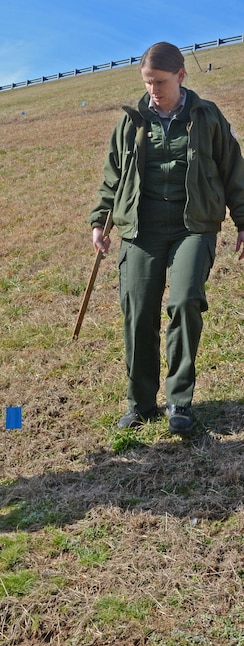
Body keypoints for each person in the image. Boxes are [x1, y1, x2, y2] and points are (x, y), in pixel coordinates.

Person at [89, 41, 244, 435]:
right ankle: (140, 403)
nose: (153, 90)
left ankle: (179, 402)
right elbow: (113, 176)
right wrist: (99, 222)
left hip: (194, 226)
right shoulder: (131, 121)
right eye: (147, 82)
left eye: (159, 82)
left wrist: (243, 220)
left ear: (180, 75)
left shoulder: (207, 116)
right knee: (138, 313)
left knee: (186, 302)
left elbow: (233, 171)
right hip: (141, 231)